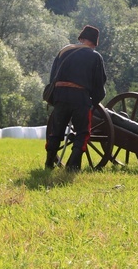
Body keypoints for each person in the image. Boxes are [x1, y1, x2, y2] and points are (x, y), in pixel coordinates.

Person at [44, 25, 107, 171]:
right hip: (80, 98)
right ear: (94, 43)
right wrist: (94, 101)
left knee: (56, 131)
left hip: (60, 95)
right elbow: (99, 83)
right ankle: (72, 166)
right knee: (83, 133)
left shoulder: (63, 51)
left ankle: (48, 163)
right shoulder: (95, 56)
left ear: (81, 39)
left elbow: (53, 77)